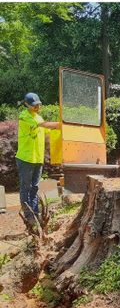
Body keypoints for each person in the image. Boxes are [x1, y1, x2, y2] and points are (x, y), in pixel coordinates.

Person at [15, 92, 60, 223]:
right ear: (26, 104)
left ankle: (36, 215)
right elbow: (44, 126)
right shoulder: (24, 116)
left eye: (38, 104)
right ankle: (28, 216)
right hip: (26, 159)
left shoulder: (39, 117)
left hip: (37, 159)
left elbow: (49, 132)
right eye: (34, 105)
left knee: (34, 188)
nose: (37, 106)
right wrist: (61, 123)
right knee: (25, 188)